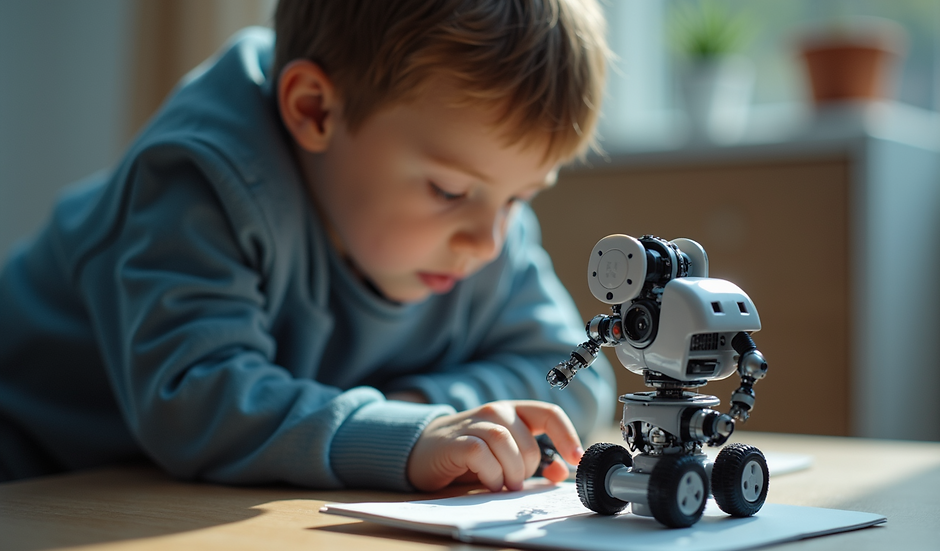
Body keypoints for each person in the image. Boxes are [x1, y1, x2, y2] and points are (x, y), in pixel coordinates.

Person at [0, 0, 616, 493]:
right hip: (37, 474)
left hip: (155, 488)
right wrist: (402, 431)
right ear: (314, 110)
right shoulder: (201, 179)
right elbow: (194, 398)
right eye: (448, 190)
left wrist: (422, 407)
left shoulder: (481, 231)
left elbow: (578, 376)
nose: (489, 240)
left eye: (520, 198)